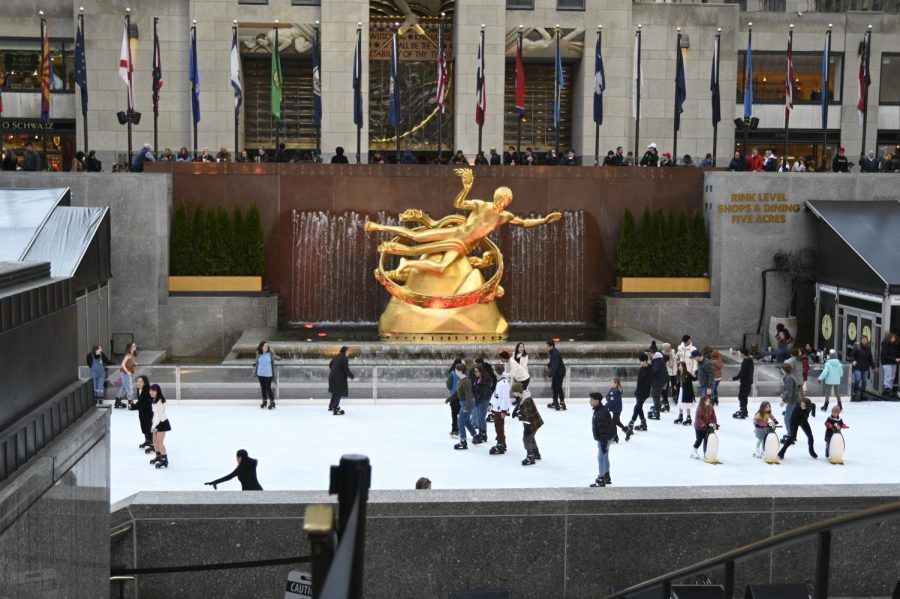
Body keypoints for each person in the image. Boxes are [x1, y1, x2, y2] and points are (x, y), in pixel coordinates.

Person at [511, 385, 543, 465]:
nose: (513, 393)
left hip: (532, 423)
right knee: (531, 437)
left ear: (518, 391)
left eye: (514, 392)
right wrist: (516, 409)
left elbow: (528, 416)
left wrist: (527, 428)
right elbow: (521, 404)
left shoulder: (526, 401)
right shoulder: (524, 396)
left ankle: (530, 456)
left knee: (526, 438)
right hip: (534, 421)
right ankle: (536, 453)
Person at [589, 392, 613, 487]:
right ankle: (606, 476)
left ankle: (601, 478)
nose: (589, 401)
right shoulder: (600, 409)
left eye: (591, 400)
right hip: (608, 437)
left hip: (605, 438)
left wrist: (603, 443)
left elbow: (603, 429)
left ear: (597, 401)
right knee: (605, 456)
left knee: (601, 457)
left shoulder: (600, 413)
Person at [627, 353, 652, 437]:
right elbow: (639, 381)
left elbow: (648, 384)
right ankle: (643, 424)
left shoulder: (650, 369)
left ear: (645, 361)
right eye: (640, 361)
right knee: (639, 407)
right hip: (639, 392)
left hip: (644, 393)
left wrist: (643, 393)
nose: (640, 362)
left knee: (637, 407)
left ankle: (631, 422)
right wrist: (637, 391)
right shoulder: (641, 369)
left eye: (641, 361)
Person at [453, 362, 477, 450]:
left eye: (456, 370)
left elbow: (468, 395)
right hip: (464, 403)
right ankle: (475, 436)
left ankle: (463, 442)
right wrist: (450, 398)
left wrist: (466, 407)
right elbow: (458, 392)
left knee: (460, 422)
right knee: (466, 422)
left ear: (459, 371)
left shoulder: (466, 381)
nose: (455, 371)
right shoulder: (460, 380)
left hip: (468, 403)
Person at [488, 364, 511, 455]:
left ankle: (500, 443)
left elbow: (505, 398)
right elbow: (496, 394)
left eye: (494, 370)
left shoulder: (504, 383)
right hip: (497, 407)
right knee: (498, 425)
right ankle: (502, 442)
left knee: (499, 426)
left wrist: (504, 410)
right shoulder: (500, 381)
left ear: (496, 371)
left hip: (500, 409)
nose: (493, 371)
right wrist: (491, 403)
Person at [149, 384, 171, 468]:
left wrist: (153, 426)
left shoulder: (159, 401)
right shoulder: (155, 399)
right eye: (150, 390)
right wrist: (153, 423)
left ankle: (164, 460)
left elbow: (159, 415)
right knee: (154, 441)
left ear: (158, 391)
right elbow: (155, 415)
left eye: (153, 391)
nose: (151, 392)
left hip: (161, 423)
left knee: (159, 442)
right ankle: (158, 456)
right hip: (156, 422)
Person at [328, 346, 354, 415]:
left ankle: (331, 406)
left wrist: (335, 371)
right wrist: (351, 376)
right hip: (338, 377)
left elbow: (330, 365)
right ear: (345, 351)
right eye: (348, 351)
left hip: (332, 376)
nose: (348, 353)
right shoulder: (344, 358)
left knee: (335, 391)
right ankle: (336, 409)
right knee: (339, 392)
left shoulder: (336, 356)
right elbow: (346, 369)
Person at [690, 396, 718, 460]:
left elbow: (713, 416)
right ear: (703, 401)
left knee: (707, 440)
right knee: (699, 439)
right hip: (699, 428)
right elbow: (698, 419)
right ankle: (694, 451)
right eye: (706, 401)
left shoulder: (711, 407)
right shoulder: (699, 408)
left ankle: (706, 452)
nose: (708, 402)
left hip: (708, 427)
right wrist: (703, 425)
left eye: (709, 401)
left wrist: (714, 424)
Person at [131, 375, 154, 452]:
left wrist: (133, 407)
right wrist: (134, 406)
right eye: (137, 381)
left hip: (147, 412)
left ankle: (151, 443)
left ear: (144, 383)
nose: (138, 383)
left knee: (148, 427)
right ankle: (147, 440)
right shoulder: (139, 390)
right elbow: (140, 401)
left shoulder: (147, 391)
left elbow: (144, 403)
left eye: (141, 382)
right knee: (143, 427)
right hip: (142, 412)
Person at [254, 341, 279, 410]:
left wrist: (280, 358)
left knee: (268, 388)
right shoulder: (258, 353)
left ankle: (272, 402)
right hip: (260, 373)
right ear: (261, 347)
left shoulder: (270, 353)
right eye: (265, 346)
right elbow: (256, 361)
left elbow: (275, 357)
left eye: (267, 346)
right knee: (263, 388)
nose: (266, 347)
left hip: (268, 374)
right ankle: (264, 401)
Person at [473, 362, 493, 444]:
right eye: (475, 371)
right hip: (479, 400)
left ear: (481, 371)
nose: (475, 373)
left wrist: (477, 401)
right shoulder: (478, 379)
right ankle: (481, 433)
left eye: (477, 371)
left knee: (481, 418)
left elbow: (483, 394)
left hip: (483, 400)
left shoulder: (485, 381)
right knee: (479, 417)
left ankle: (483, 434)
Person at [849, 335, 874, 401]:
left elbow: (870, 357)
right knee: (858, 379)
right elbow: (852, 355)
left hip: (865, 367)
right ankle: (854, 390)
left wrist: (872, 366)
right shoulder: (857, 347)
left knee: (864, 380)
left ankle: (862, 393)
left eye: (865, 340)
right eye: (863, 340)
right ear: (861, 340)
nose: (864, 341)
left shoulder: (868, 348)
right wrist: (853, 360)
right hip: (857, 366)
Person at [114, 342, 137, 409]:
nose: (135, 346)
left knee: (124, 387)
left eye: (135, 345)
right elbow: (123, 364)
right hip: (125, 373)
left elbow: (129, 362)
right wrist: (127, 372)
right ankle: (130, 402)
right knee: (129, 387)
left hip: (129, 372)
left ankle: (118, 401)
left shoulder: (132, 355)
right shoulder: (128, 355)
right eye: (133, 346)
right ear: (130, 347)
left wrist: (135, 363)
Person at [779, 362, 800, 441]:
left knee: (787, 418)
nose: (781, 370)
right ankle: (791, 434)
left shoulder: (789, 378)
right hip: (794, 399)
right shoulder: (790, 376)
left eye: (781, 368)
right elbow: (789, 390)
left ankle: (790, 435)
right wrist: (784, 394)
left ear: (784, 369)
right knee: (790, 418)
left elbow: (789, 391)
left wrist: (784, 401)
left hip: (793, 401)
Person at [647, 343, 668, 420]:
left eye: (649, 354)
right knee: (655, 393)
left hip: (659, 380)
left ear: (653, 353)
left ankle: (656, 412)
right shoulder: (658, 358)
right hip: (661, 379)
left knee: (655, 394)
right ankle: (657, 406)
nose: (648, 356)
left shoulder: (656, 359)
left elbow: (656, 370)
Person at [732, 347, 754, 419]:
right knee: (744, 396)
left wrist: (733, 378)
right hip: (749, 381)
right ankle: (744, 411)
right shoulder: (750, 360)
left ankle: (743, 411)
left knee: (742, 396)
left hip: (745, 382)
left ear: (743, 354)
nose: (739, 354)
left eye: (740, 353)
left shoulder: (745, 362)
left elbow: (742, 373)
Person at [546, 340, 566, 410]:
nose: (546, 347)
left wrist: (550, 373)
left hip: (559, 372)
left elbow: (555, 365)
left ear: (551, 346)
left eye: (547, 346)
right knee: (555, 387)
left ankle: (560, 403)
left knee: (557, 387)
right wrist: (548, 364)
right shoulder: (554, 352)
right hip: (558, 372)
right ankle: (557, 402)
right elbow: (553, 362)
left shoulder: (555, 353)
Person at [605, 377, 628, 443]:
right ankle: (625, 432)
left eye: (612, 382)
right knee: (615, 422)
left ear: (616, 384)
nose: (611, 383)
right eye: (611, 382)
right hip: (614, 408)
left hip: (617, 409)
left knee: (614, 422)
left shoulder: (617, 391)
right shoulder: (612, 389)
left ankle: (616, 437)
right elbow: (607, 397)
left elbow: (613, 401)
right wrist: (610, 398)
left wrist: (605, 406)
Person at [445, 357, 463, 437]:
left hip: (453, 396)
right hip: (463, 396)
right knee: (461, 413)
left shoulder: (452, 374)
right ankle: (460, 429)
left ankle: (454, 429)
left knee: (454, 413)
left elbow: (448, 384)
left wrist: (452, 389)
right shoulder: (465, 373)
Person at [674, 361, 696, 426]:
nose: (680, 367)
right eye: (679, 366)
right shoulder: (679, 374)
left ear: (684, 367)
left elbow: (694, 379)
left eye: (681, 366)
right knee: (680, 404)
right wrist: (676, 386)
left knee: (687, 405)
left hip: (687, 392)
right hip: (681, 391)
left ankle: (688, 417)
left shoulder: (688, 374)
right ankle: (680, 416)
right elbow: (679, 383)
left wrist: (696, 373)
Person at [880, 331, 899, 398]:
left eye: (894, 338)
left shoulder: (895, 346)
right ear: (889, 338)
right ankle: (887, 389)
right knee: (888, 376)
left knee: (892, 376)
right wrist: (895, 359)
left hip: (893, 362)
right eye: (892, 338)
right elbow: (885, 355)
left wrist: (896, 359)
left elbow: (896, 354)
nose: (893, 339)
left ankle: (889, 388)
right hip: (886, 362)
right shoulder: (885, 345)